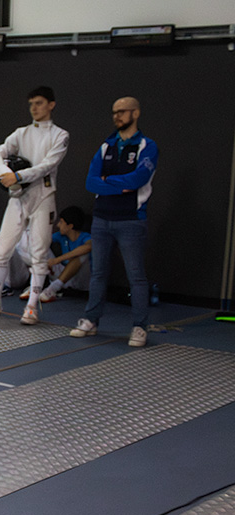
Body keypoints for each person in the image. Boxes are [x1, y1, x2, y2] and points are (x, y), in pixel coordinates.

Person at [0, 86, 69, 325]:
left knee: (39, 254)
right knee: (2, 250)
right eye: (31, 104)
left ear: (51, 105)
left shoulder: (60, 135)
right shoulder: (21, 133)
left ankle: (31, 307)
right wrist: (3, 172)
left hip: (43, 197)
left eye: (39, 103)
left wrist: (18, 176)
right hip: (18, 197)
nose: (34, 108)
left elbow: (47, 166)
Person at [71, 97, 159, 348]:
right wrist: (117, 186)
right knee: (98, 273)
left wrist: (107, 182)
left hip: (131, 220)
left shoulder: (147, 146)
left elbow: (138, 179)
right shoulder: (106, 146)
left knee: (136, 276)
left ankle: (139, 326)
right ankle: (91, 320)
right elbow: (91, 182)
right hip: (102, 219)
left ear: (135, 113)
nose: (117, 116)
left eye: (122, 112)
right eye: (114, 112)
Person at [34, 205, 91, 302]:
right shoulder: (61, 236)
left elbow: (89, 247)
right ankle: (35, 284)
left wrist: (57, 260)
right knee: (42, 248)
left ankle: (53, 289)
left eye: (61, 222)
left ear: (70, 226)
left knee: (82, 254)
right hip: (62, 278)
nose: (58, 225)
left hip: (81, 280)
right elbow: (41, 241)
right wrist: (45, 264)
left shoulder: (85, 237)